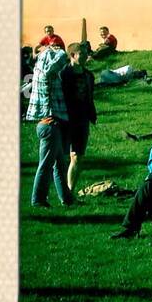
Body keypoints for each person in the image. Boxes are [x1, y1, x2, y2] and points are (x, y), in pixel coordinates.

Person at [25, 41, 71, 209]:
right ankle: (37, 199)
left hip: (51, 124)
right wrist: (56, 52)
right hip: (50, 125)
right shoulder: (49, 72)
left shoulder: (38, 68)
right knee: (45, 164)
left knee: (59, 164)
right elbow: (55, 65)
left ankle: (67, 198)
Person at [60, 42, 97, 193]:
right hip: (64, 119)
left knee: (77, 156)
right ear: (73, 55)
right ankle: (60, 190)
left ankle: (70, 191)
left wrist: (91, 114)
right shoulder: (63, 75)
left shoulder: (89, 75)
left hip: (82, 120)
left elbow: (90, 97)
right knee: (60, 156)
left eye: (86, 52)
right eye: (82, 53)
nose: (85, 55)